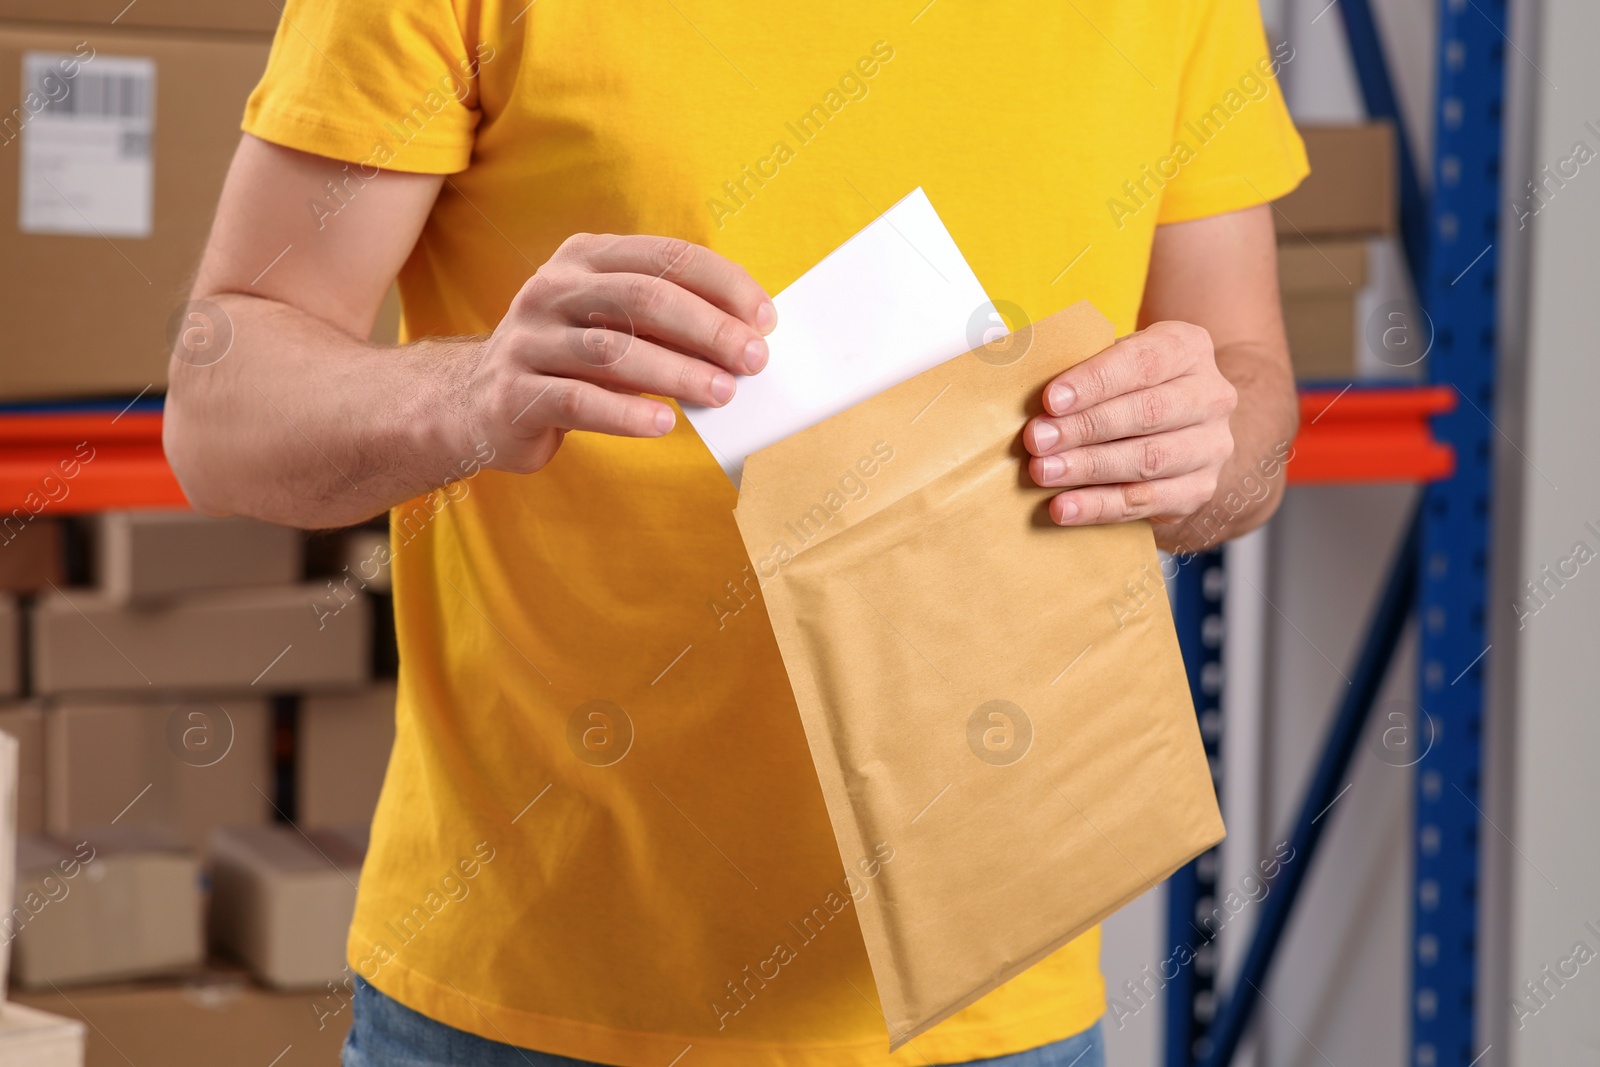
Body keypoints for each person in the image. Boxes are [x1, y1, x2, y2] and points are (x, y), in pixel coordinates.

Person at [164, 1, 1306, 1064]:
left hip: (1000, 1004)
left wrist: (1197, 445)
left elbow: (1250, 395)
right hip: (522, 1002)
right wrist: (468, 393)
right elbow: (218, 407)